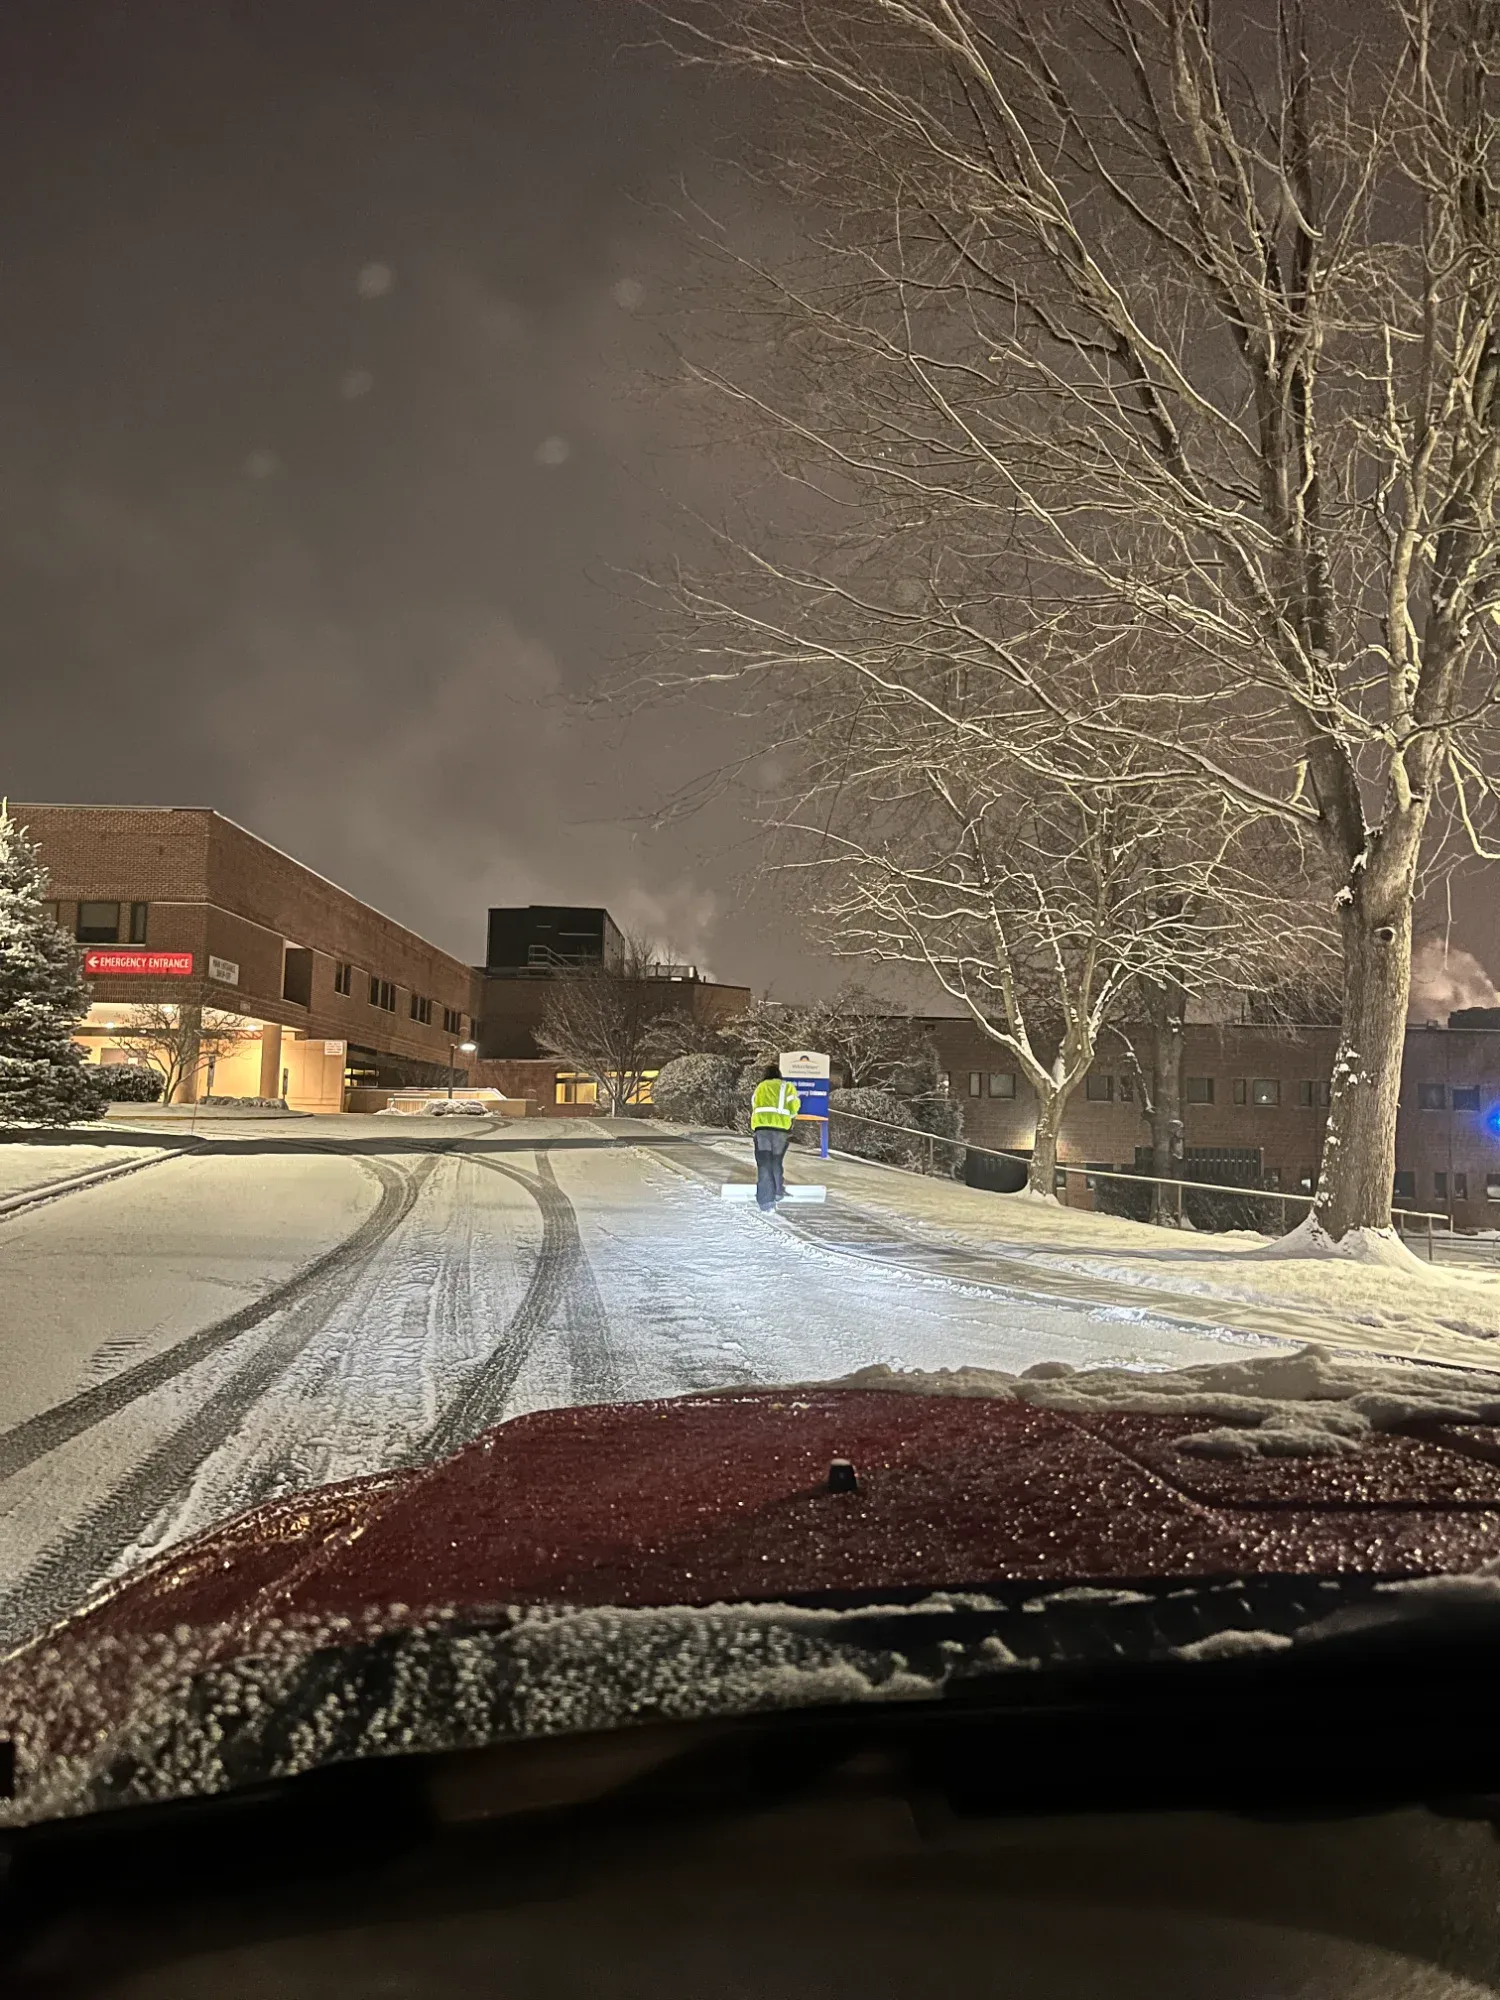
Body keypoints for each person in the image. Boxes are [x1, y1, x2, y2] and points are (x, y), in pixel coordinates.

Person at [749, 1063, 800, 1211]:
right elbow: (795, 1106)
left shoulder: (760, 1087)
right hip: (780, 1130)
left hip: (762, 1129)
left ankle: (766, 1201)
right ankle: (777, 1192)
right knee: (776, 1162)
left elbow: (754, 1104)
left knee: (764, 1163)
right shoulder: (787, 1087)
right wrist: (786, 1118)